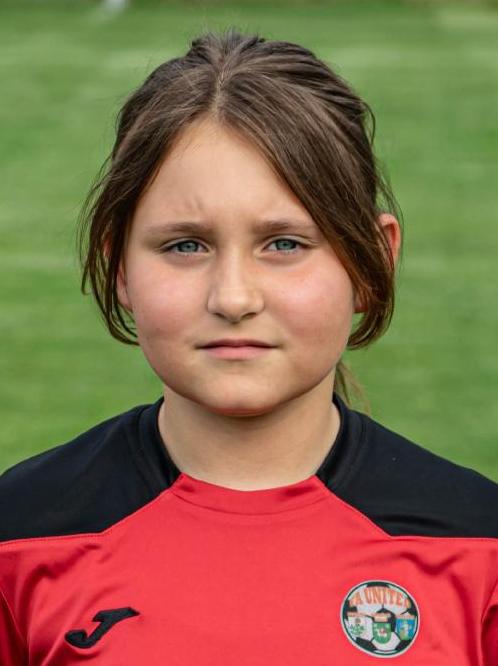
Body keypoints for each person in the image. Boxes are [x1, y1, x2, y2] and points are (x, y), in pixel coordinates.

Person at [0, 27, 497, 664]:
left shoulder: (476, 544)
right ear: (119, 266)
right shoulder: (23, 534)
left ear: (373, 261)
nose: (233, 298)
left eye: (285, 244)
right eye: (185, 245)